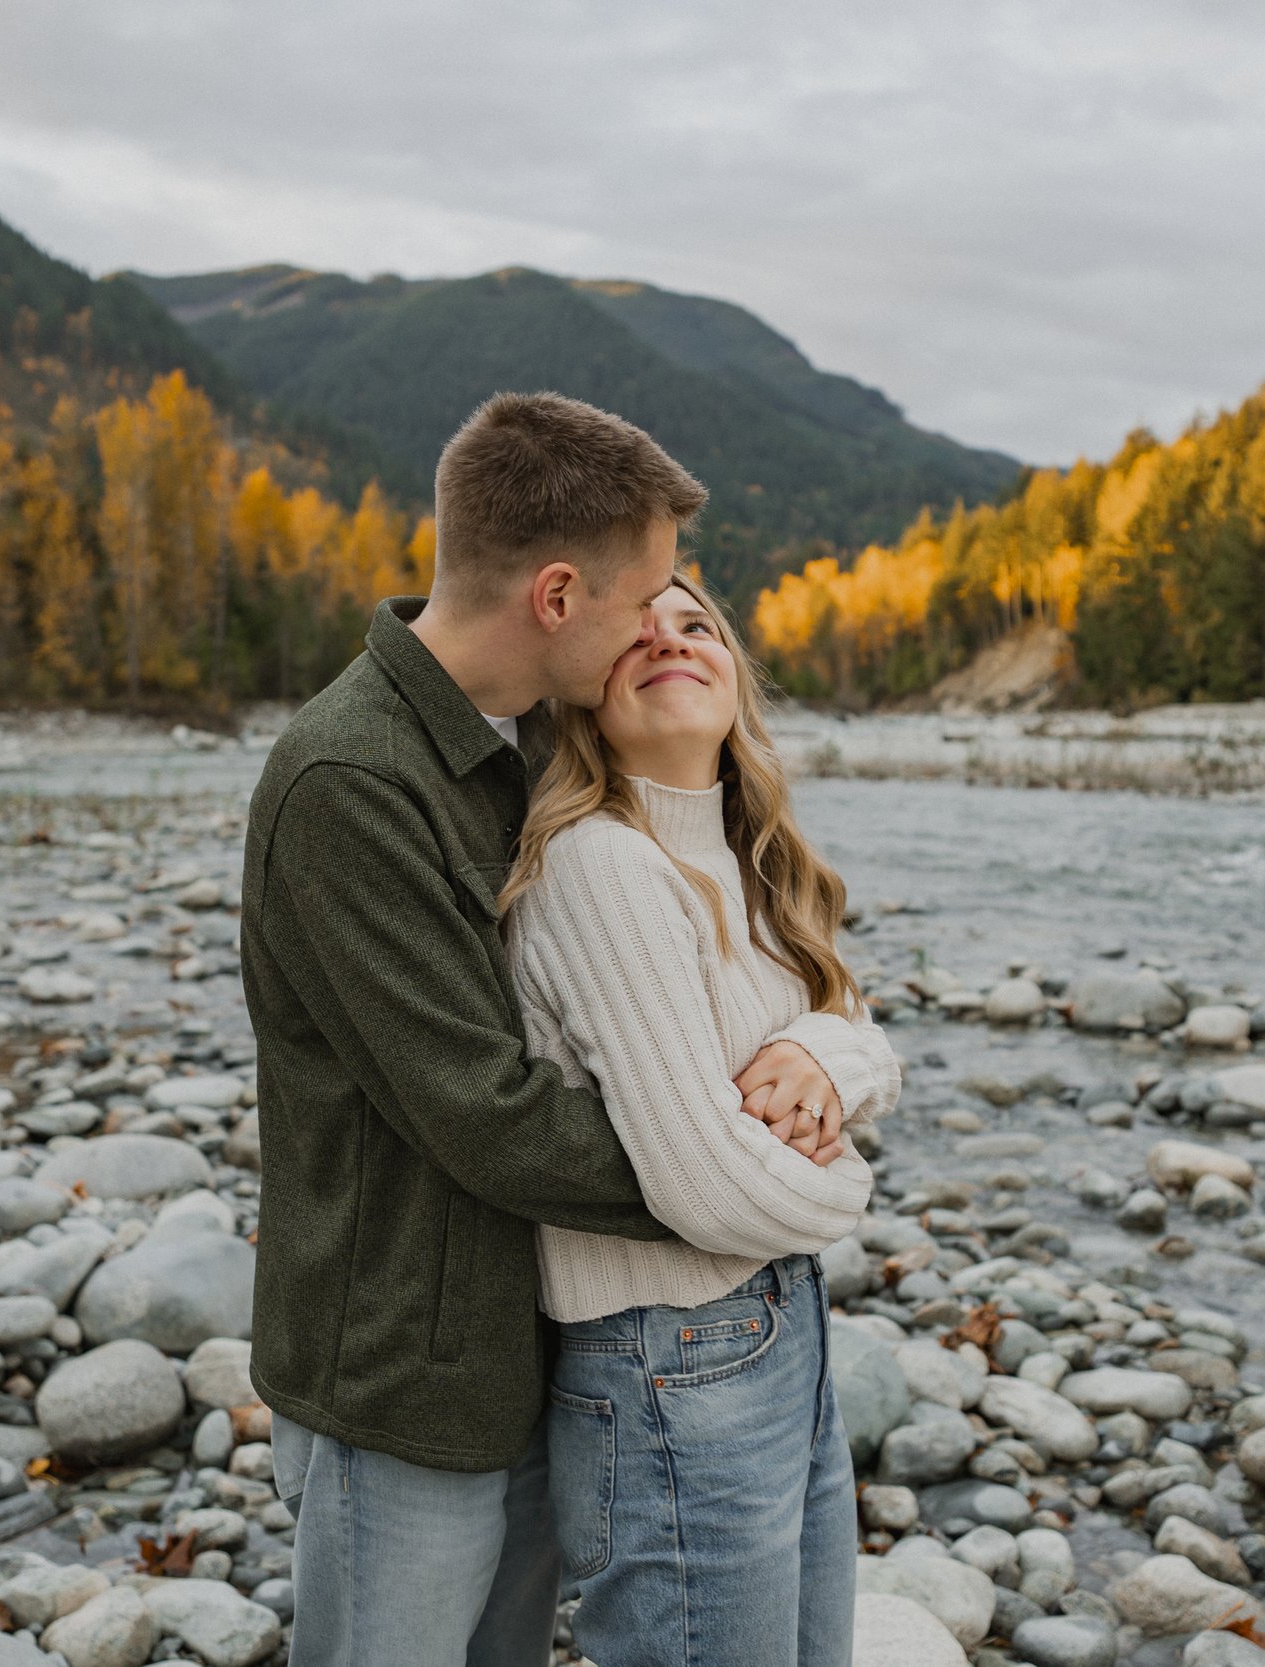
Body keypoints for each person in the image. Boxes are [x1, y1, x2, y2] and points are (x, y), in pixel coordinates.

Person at [240, 392, 854, 1667]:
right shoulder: (349, 779)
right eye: (649, 600)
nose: (660, 631)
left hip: (530, 1340)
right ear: (559, 596)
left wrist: (821, 1060)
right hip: (406, 1372)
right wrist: (746, 1169)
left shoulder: (518, 748)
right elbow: (490, 1111)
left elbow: (767, 988)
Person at [504, 570, 902, 1667]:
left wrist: (813, 1054)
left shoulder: (756, 856)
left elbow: (863, 1031)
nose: (669, 642)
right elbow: (706, 1186)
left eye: (696, 625)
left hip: (777, 1325)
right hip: (668, 1359)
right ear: (583, 692)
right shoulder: (602, 865)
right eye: (634, 635)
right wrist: (848, 1184)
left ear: (736, 670)